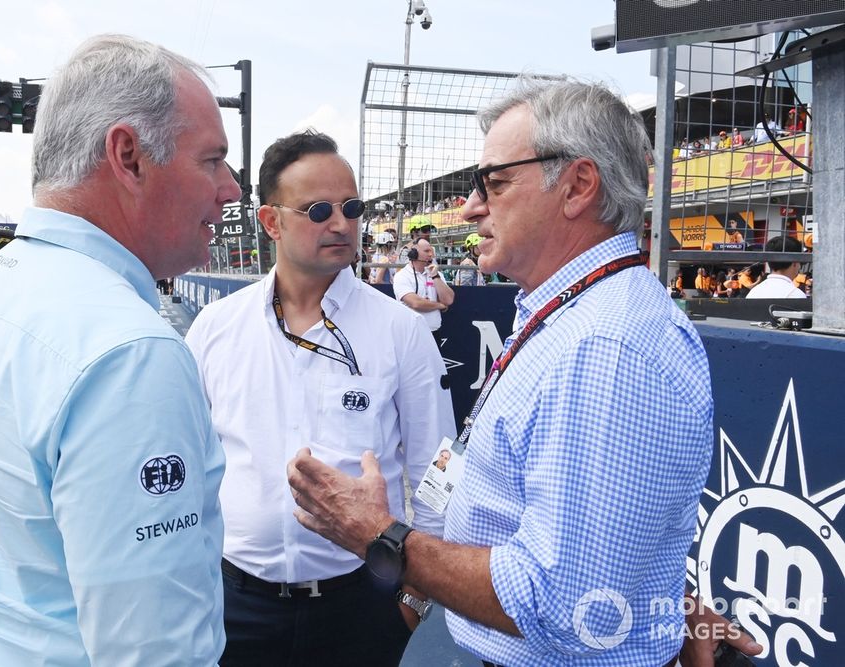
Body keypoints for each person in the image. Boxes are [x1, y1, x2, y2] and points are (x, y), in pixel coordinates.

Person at [287, 79, 762, 667]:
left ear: (577, 187)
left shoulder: (603, 346)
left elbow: (562, 602)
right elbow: (588, 548)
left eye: (494, 181)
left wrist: (379, 535)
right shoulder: (578, 315)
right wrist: (665, 601)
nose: (469, 206)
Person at [0, 34, 240, 666]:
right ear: (129, 156)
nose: (230, 189)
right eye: (213, 160)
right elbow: (152, 649)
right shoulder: (129, 352)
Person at [185, 130, 455, 667]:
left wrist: (414, 598)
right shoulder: (216, 328)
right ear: (271, 222)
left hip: (362, 605)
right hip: (232, 605)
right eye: (318, 209)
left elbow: (438, 469)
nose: (341, 222)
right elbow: (187, 462)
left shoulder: (401, 331)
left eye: (352, 207)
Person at [393, 238, 454, 345]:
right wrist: (440, 305)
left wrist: (435, 276)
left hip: (434, 332)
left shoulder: (436, 274)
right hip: (411, 334)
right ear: (414, 253)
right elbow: (416, 303)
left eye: (431, 251)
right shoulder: (402, 276)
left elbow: (448, 299)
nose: (431, 255)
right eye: (426, 251)